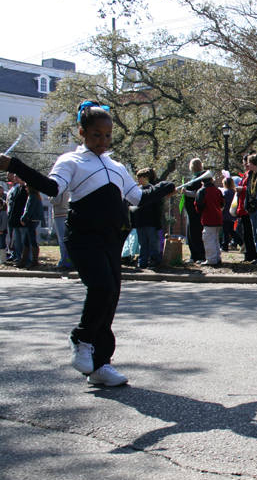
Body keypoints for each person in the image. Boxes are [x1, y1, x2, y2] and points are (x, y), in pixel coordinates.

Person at [0, 101, 175, 386]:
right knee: (102, 287)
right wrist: (14, 165)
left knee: (110, 299)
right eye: (96, 134)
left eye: (107, 135)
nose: (103, 141)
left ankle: (100, 366)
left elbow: (138, 198)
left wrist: (166, 187)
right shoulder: (71, 161)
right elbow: (53, 188)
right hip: (82, 237)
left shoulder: (117, 166)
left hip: (111, 238)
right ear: (82, 132)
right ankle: (81, 338)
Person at [131, 168, 162, 269]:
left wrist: (158, 223)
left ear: (146, 178)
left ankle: (155, 260)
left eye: (140, 178)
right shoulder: (137, 191)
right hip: (140, 222)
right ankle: (142, 261)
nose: (138, 180)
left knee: (153, 241)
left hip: (151, 222)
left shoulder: (152, 190)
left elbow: (157, 208)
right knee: (142, 243)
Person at [195, 172, 224, 266]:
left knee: (208, 239)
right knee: (215, 239)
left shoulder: (202, 191)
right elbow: (222, 203)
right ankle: (217, 257)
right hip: (218, 217)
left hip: (208, 218)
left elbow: (199, 206)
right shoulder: (217, 190)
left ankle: (211, 259)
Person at [236, 155, 257, 263]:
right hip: (243, 207)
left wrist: (242, 189)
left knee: (250, 232)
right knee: (246, 233)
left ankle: (252, 254)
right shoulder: (245, 175)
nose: (246, 164)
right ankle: (248, 253)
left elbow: (252, 189)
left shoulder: (252, 175)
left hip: (248, 207)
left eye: (247, 162)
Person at [184, 158, 206, 263]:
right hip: (190, 212)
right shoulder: (194, 178)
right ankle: (193, 255)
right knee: (190, 234)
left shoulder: (199, 178)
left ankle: (200, 255)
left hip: (195, 212)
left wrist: (186, 192)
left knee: (195, 233)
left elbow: (198, 193)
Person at [18, 184, 43, 268]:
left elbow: (29, 210)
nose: (25, 189)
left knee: (32, 241)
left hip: (31, 221)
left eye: (27, 187)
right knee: (26, 241)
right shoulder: (37, 197)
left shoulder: (32, 197)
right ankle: (23, 261)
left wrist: (23, 218)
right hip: (34, 221)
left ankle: (34, 261)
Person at [7, 173, 28, 264]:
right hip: (15, 219)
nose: (15, 178)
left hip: (22, 219)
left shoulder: (26, 189)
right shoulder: (16, 189)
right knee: (17, 242)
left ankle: (26, 259)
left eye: (17, 177)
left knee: (24, 241)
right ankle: (19, 259)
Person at [49, 187, 71, 269]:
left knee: (61, 239)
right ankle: (69, 260)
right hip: (66, 212)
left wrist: (50, 198)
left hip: (59, 214)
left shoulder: (58, 188)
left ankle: (63, 261)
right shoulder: (67, 186)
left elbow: (56, 200)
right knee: (66, 238)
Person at [221, 176, 243, 252]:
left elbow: (224, 203)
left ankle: (225, 246)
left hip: (226, 215)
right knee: (231, 230)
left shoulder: (226, 192)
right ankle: (240, 242)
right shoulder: (233, 192)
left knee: (225, 231)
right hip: (232, 215)